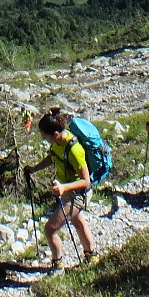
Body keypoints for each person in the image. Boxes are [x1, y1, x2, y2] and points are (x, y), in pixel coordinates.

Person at [23, 111, 97, 269]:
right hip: (68, 191)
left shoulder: (75, 150)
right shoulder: (58, 143)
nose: (45, 139)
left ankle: (57, 266)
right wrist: (34, 169)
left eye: (46, 136)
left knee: (50, 229)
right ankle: (92, 257)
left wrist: (64, 187)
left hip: (78, 194)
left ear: (55, 134)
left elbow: (86, 181)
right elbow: (53, 157)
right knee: (78, 221)